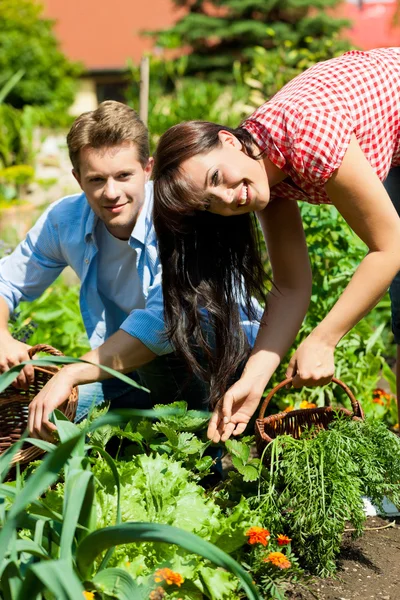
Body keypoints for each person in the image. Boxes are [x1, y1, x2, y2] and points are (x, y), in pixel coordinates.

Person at [152, 47, 400, 444]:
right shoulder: (264, 178)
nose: (228, 199)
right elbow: (291, 286)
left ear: (228, 141)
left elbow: (390, 246)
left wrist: (323, 339)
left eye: (218, 177)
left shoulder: (305, 133)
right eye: (209, 203)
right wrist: (253, 380)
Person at [0, 101, 260, 442]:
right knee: (49, 416)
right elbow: (8, 280)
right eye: (96, 179)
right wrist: (3, 336)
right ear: (78, 179)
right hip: (129, 363)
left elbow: (164, 322)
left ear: (148, 168)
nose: (111, 193)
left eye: (124, 176)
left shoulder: (180, 214)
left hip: (224, 356)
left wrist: (72, 373)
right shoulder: (65, 220)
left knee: (175, 342)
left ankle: (200, 459)